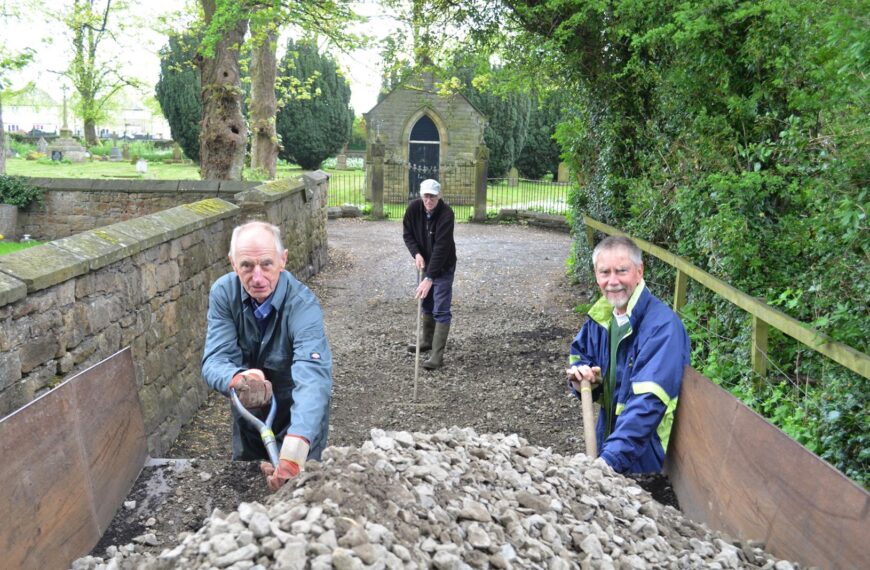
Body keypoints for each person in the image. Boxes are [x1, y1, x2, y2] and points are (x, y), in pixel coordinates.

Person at [201, 221, 332, 491]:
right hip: (251, 415)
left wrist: (295, 447)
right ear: (233, 263)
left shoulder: (303, 306)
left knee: (298, 500)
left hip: (298, 415)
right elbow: (214, 360)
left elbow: (313, 376)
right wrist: (237, 378)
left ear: (283, 261)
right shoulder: (224, 294)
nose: (257, 277)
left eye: (267, 264)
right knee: (246, 495)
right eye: (247, 265)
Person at [566, 236, 689, 474]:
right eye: (605, 273)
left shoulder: (662, 327)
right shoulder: (602, 317)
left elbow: (648, 404)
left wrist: (609, 461)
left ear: (639, 271)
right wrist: (584, 375)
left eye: (621, 271)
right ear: (596, 275)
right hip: (612, 445)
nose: (612, 281)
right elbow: (580, 354)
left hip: (645, 462)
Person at [403, 179, 456, 370]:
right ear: (420, 194)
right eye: (426, 195)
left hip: (443, 266)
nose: (428, 200)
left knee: (440, 307)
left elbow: (442, 248)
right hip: (425, 263)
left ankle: (436, 356)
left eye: (432, 196)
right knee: (426, 302)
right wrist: (416, 253)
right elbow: (407, 234)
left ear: (439, 196)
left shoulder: (446, 214)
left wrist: (429, 278)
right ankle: (426, 341)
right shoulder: (413, 209)